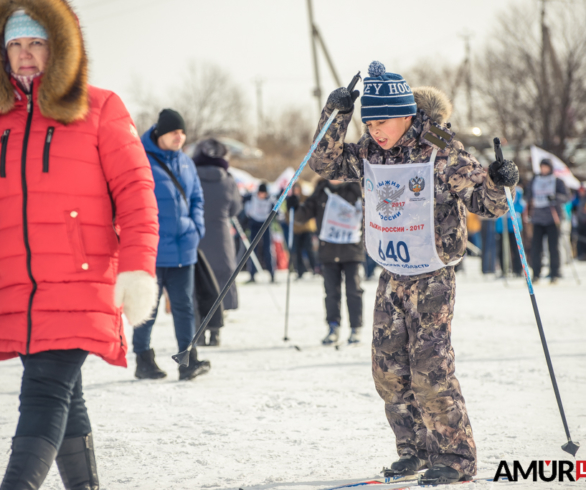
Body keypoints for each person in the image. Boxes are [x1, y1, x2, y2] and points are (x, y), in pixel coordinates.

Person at [308, 61, 518, 484]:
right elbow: (323, 164)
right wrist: (337, 114)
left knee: (430, 370)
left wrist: (499, 182)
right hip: (391, 275)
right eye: (368, 121)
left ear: (406, 115)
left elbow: (489, 206)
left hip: (432, 278)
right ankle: (414, 450)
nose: (375, 129)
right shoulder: (367, 150)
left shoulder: (441, 150)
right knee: (388, 372)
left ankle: (455, 459)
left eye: (382, 120)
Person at [0, 3, 160, 489]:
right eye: (15, 44)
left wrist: (138, 271)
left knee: (44, 392)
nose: (26, 56)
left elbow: (136, 194)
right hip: (16, 285)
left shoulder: (99, 108)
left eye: (37, 43)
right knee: (67, 399)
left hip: (80, 278)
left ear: (59, 49)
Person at [133, 109, 210, 380]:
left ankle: (187, 359)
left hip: (184, 249)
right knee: (147, 308)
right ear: (160, 133)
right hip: (152, 250)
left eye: (182, 131)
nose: (179, 136)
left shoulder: (187, 163)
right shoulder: (141, 160)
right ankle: (143, 359)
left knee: (184, 306)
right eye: (173, 132)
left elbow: (197, 198)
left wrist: (196, 227)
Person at [293, 179, 364, 344]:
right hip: (328, 251)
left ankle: (355, 328)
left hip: (351, 249)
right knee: (331, 292)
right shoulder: (321, 191)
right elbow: (301, 217)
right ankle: (333, 327)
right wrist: (295, 205)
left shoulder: (355, 189)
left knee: (354, 291)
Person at [194, 138, 242, 345]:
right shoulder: (228, 180)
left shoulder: (191, 176)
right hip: (221, 237)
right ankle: (215, 332)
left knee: (196, 283)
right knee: (220, 282)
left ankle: (198, 331)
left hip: (196, 236)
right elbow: (235, 209)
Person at [526, 158, 568, 283]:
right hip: (538, 218)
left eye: (546, 167)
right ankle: (536, 273)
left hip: (552, 218)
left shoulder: (557, 181)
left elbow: (566, 197)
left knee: (553, 247)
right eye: (542, 167)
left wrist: (556, 197)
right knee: (536, 247)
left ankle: (555, 273)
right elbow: (527, 195)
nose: (544, 169)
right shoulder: (535, 180)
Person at [244, 182, 276, 282]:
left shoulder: (271, 200)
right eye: (260, 193)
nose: (261, 195)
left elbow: (278, 212)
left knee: (267, 250)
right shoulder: (251, 197)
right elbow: (242, 200)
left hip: (266, 224)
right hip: (254, 224)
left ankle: (272, 274)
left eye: (263, 193)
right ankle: (252, 275)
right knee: (253, 250)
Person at [286, 182, 318, 279]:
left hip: (306, 228)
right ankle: (300, 271)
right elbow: (287, 214)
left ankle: (315, 268)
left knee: (309, 249)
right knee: (297, 251)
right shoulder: (290, 200)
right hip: (296, 230)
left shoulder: (306, 198)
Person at [496, 184, 526, 276]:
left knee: (516, 248)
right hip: (501, 224)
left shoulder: (518, 190)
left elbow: (521, 206)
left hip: (514, 224)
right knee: (502, 248)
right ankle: (504, 269)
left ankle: (518, 269)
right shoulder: (498, 190)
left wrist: (509, 208)